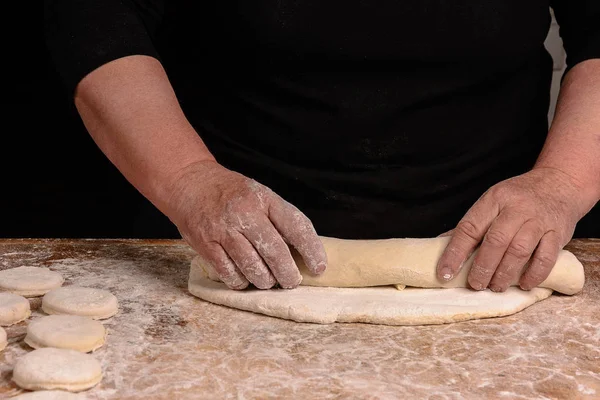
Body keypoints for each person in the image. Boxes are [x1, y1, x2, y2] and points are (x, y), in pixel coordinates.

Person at [44, 1, 599, 292]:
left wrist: (563, 183)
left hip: (496, 246)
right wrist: (189, 179)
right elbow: (95, 21)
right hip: (222, 236)